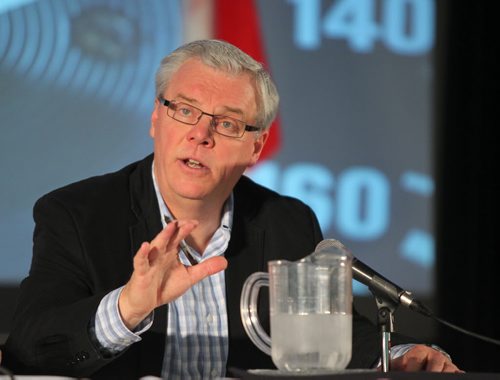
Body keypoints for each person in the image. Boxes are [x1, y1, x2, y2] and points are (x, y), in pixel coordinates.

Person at [3, 39, 461, 379]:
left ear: (256, 146)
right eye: (184, 110)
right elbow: (29, 345)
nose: (200, 134)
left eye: (225, 123)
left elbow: (337, 336)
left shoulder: (286, 221)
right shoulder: (77, 214)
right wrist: (127, 308)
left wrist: (402, 356)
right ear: (156, 119)